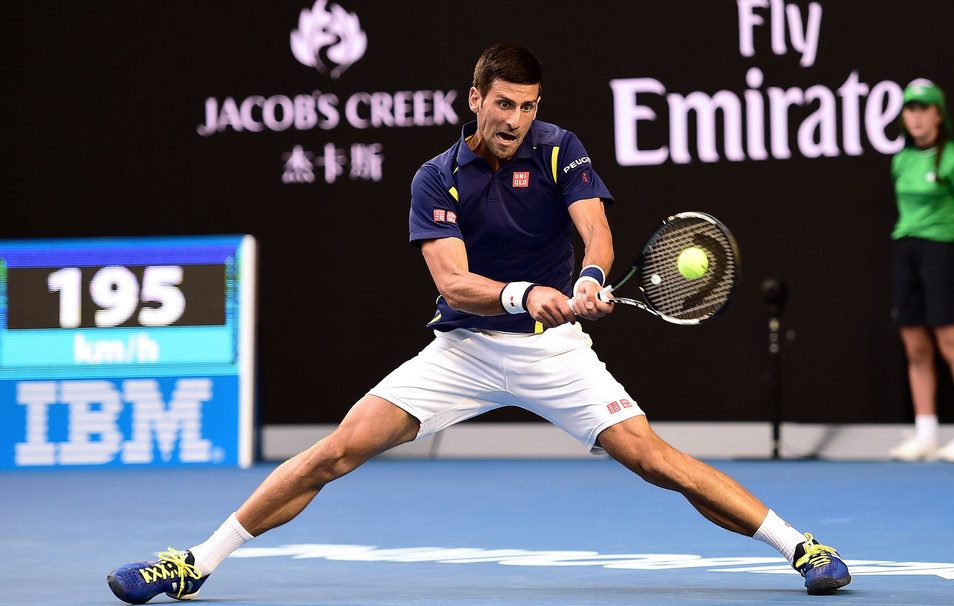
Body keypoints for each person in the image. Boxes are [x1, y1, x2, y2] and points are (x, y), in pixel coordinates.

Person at [106, 43, 851, 603]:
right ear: (474, 98)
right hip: (462, 350)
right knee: (337, 451)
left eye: (528, 106)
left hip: (555, 352)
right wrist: (528, 293)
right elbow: (454, 282)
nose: (516, 120)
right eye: (504, 105)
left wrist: (591, 278)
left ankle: (800, 546)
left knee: (655, 460)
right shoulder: (437, 177)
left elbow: (595, 233)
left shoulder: (560, 148)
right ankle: (195, 563)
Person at [888, 78, 954, 462]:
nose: (914, 116)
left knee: (949, 343)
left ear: (937, 114)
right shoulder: (902, 159)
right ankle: (925, 433)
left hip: (942, 249)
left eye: (922, 108)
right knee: (915, 344)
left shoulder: (950, 157)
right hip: (906, 247)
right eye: (909, 108)